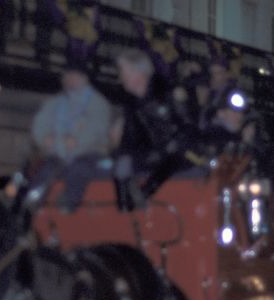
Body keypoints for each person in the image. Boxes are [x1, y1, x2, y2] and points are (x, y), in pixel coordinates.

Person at [112, 48, 202, 211]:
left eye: (123, 73)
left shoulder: (169, 92)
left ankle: (145, 194)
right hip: (154, 153)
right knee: (122, 164)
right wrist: (123, 155)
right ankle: (124, 211)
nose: (120, 78)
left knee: (175, 155)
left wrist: (173, 144)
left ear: (137, 73)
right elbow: (131, 137)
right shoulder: (131, 104)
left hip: (182, 153)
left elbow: (189, 127)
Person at [30, 64, 112, 207]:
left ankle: (67, 208)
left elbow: (95, 129)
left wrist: (78, 141)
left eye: (73, 76)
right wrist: (44, 138)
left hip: (89, 156)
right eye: (66, 76)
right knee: (43, 173)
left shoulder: (98, 103)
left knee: (78, 170)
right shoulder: (54, 103)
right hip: (58, 157)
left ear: (84, 79)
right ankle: (31, 207)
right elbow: (40, 124)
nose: (69, 80)